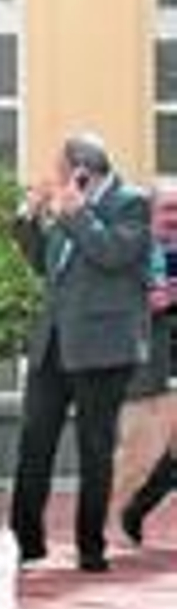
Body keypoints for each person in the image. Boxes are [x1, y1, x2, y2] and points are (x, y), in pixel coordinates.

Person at [10, 133, 150, 573]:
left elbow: (112, 255)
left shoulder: (131, 203)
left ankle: (91, 547)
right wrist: (29, 220)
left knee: (94, 449)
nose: (55, 178)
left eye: (60, 169)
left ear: (82, 169)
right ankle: (26, 543)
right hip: (53, 344)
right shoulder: (72, 207)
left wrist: (77, 214)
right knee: (34, 443)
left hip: (103, 349)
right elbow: (45, 267)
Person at [114, 178, 177, 547]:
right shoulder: (130, 252)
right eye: (168, 209)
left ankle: (131, 513)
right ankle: (107, 521)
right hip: (146, 370)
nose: (175, 218)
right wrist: (147, 304)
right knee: (137, 455)